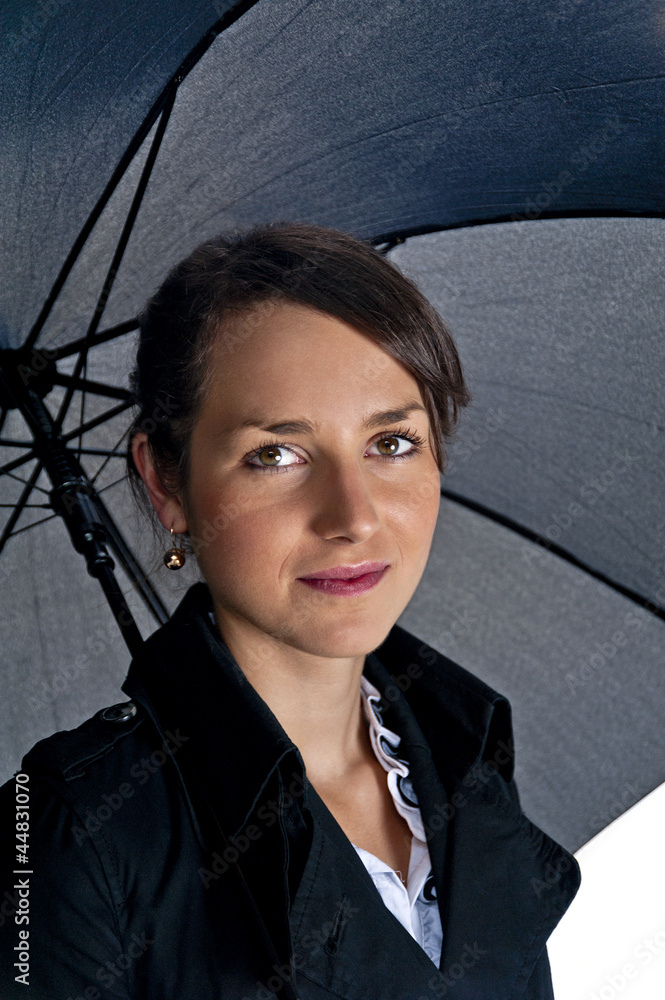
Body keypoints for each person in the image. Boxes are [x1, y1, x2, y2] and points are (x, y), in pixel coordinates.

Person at [0, 221, 580, 999]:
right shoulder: (68, 838)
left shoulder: (462, 754)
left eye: (391, 442)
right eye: (275, 454)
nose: (353, 516)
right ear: (167, 482)